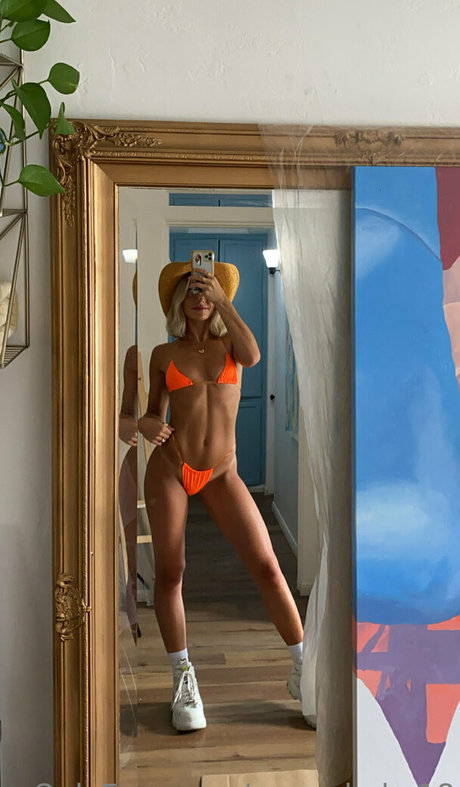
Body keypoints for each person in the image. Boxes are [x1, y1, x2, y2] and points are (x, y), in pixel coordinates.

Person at [138, 258, 305, 732]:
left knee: (268, 566)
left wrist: (224, 302)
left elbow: (253, 356)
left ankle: (303, 666)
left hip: (221, 472)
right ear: (178, 300)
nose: (200, 297)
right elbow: (153, 413)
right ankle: (182, 678)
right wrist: (147, 424)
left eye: (207, 288)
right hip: (172, 470)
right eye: (192, 289)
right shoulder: (163, 355)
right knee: (171, 571)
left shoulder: (231, 344)